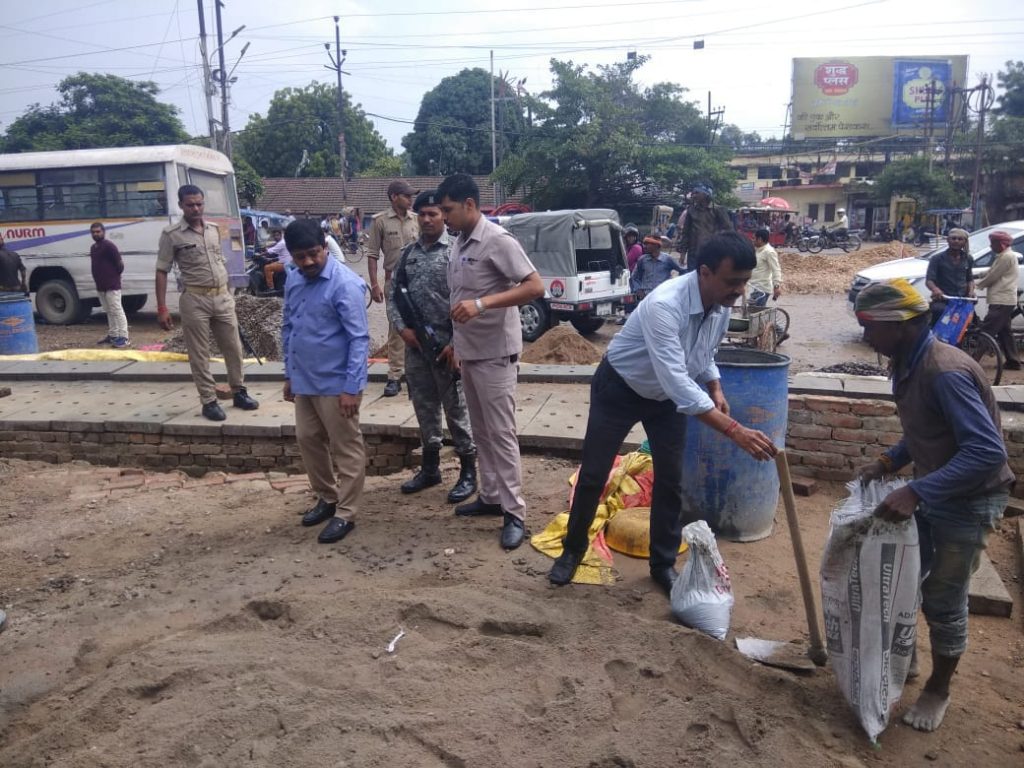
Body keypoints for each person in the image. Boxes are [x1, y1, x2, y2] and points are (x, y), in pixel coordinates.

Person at [548, 232, 779, 592]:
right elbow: (677, 381)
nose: (739, 290)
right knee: (594, 475)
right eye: (733, 281)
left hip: (666, 401)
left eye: (745, 282)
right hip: (620, 389)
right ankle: (571, 552)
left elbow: (702, 355)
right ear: (704, 272)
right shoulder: (665, 305)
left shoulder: (719, 306)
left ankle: (663, 564)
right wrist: (735, 431)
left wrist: (715, 385)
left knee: (671, 481)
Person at [854, 277, 1013, 733]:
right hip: (939, 487)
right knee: (905, 579)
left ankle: (938, 690)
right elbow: (926, 428)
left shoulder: (944, 371)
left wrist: (916, 491)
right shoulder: (909, 359)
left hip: (970, 499)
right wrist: (887, 463)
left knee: (943, 599)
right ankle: (909, 660)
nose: (866, 336)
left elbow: (986, 451)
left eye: (871, 327)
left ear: (904, 325)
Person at [437, 173, 545, 550]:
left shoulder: (497, 240)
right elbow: (461, 295)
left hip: (496, 354)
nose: (444, 217)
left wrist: (483, 305)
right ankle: (491, 496)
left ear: (470, 204)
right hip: (470, 352)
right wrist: (456, 343)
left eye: (448, 210)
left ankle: (514, 512)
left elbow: (534, 286)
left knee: (501, 434)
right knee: (482, 432)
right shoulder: (459, 241)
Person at [282, 219, 369, 544]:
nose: (307, 262)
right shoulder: (294, 279)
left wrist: (351, 387)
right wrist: (289, 374)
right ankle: (327, 497)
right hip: (304, 380)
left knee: (346, 447)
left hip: (336, 384)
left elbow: (359, 339)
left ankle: (346, 513)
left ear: (325, 246)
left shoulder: (345, 284)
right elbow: (288, 327)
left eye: (313, 254)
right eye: (299, 256)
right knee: (308, 440)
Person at [387, 190, 477, 503]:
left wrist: (456, 344)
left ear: (443, 216)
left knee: (456, 408)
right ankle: (430, 467)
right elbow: (393, 295)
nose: (426, 219)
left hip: (447, 346)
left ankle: (468, 469)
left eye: (433, 214)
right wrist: (402, 329)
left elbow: (467, 301)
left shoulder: (456, 252)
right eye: (421, 214)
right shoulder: (408, 254)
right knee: (424, 407)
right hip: (415, 346)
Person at [156, 184, 259, 421]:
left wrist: (229, 293)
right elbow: (161, 270)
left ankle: (239, 391)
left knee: (233, 347)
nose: (196, 208)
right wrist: (161, 308)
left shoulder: (213, 230)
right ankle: (208, 401)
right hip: (195, 299)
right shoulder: (172, 235)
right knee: (199, 353)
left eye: (199, 203)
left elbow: (219, 261)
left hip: (222, 297)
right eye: (190, 204)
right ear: (181, 205)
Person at [366, 180, 420, 397]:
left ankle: (418, 374)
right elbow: (372, 255)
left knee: (421, 326)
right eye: (406, 195)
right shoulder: (380, 222)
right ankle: (395, 376)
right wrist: (375, 285)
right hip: (394, 282)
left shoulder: (417, 220)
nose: (410, 199)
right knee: (397, 327)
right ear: (394, 197)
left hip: (417, 281)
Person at [975, 230, 1022, 371]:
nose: (991, 246)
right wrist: (976, 275)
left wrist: (977, 285)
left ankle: (972, 360)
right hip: (1004, 299)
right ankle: (1013, 361)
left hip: (1001, 300)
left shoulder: (1006, 257)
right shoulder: (1003, 256)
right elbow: (991, 271)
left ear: (1000, 244)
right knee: (1005, 331)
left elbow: (993, 275)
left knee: (987, 330)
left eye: (993, 243)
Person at [676, 183, 733, 272]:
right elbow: (686, 233)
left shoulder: (718, 210)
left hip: (712, 252)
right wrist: (683, 253)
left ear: (706, 194)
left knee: (710, 278)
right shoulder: (691, 210)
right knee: (694, 278)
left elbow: (728, 231)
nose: (693, 195)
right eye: (693, 193)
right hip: (693, 252)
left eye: (697, 193)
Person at [89, 222, 129, 348]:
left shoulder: (109, 246)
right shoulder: (93, 248)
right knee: (108, 311)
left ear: (103, 232)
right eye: (94, 232)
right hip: (100, 286)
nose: (96, 234)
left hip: (112, 285)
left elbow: (120, 264)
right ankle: (113, 335)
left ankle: (124, 337)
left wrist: (114, 277)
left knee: (117, 310)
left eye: (98, 231)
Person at [925, 229, 974, 326]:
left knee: (971, 322)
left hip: (962, 300)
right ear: (948, 240)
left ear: (964, 242)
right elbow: (929, 280)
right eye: (953, 238)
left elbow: (969, 279)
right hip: (943, 300)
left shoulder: (968, 258)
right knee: (939, 319)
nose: (956, 241)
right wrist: (935, 289)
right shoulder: (937, 259)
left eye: (960, 239)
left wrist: (971, 291)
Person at [630, 236, 685, 300]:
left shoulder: (667, 259)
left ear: (656, 246)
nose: (645, 246)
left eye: (648, 244)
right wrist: (638, 290)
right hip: (646, 297)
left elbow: (683, 271)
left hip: (663, 297)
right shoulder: (642, 260)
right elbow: (634, 277)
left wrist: (675, 286)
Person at [748, 228, 783, 307]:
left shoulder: (769, 252)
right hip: (754, 287)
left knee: (754, 314)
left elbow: (776, 269)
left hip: (761, 289)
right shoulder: (757, 251)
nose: (752, 240)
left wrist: (776, 286)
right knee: (754, 315)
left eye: (754, 238)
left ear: (760, 239)